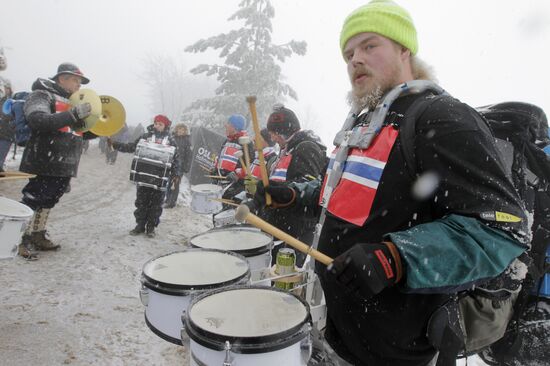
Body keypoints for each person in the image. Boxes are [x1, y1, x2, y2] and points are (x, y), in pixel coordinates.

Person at [250, 2, 530, 365]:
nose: (355, 60)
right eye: (348, 53)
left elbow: (502, 228)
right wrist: (291, 195)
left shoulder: (441, 117)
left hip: (396, 351)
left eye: (369, 46)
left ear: (404, 49)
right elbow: (338, 198)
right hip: (337, 334)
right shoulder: (363, 124)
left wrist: (395, 257)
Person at [18, 62, 96, 260]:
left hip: (64, 163)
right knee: (34, 198)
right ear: (62, 78)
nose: (79, 85)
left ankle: (37, 234)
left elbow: (75, 132)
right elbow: (38, 120)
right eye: (76, 80)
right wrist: (73, 114)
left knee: (50, 198)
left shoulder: (73, 102)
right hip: (45, 158)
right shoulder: (42, 95)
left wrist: (96, 128)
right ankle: (17, 238)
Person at [252, 105, 327, 267]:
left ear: (285, 131)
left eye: (274, 133)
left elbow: (308, 186)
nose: (272, 138)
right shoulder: (287, 150)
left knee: (282, 281)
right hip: (279, 225)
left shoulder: (306, 148)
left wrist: (285, 192)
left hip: (294, 230)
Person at [109, 114, 177, 237]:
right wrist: (116, 144)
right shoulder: (145, 137)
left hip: (160, 180)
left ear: (165, 126)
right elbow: (132, 147)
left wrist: (176, 174)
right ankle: (140, 226)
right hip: (144, 177)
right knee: (141, 203)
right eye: (156, 123)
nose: (157, 126)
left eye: (160, 124)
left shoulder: (171, 141)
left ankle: (151, 227)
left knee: (156, 206)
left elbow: (176, 160)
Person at [213, 114, 254, 204]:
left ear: (234, 127)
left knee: (226, 216)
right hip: (221, 184)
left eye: (228, 123)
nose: (225, 125)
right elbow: (220, 158)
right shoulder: (227, 141)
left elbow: (250, 165)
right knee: (216, 215)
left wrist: (237, 175)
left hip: (235, 188)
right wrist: (215, 169)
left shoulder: (246, 143)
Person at [164, 122, 192, 208]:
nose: (181, 131)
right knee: (169, 182)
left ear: (185, 131)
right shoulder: (172, 138)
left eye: (183, 129)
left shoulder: (187, 141)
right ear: (176, 129)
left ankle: (172, 202)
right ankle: (168, 199)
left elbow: (189, 155)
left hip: (180, 166)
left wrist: (186, 167)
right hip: (171, 164)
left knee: (175, 184)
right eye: (179, 129)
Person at [0, 78, 14, 172]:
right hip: (2, 131)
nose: (5, 89)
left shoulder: (14, 101)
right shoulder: (2, 100)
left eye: (7, 88)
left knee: (1, 154)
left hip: (7, 134)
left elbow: (12, 116)